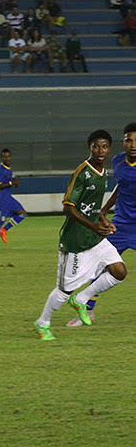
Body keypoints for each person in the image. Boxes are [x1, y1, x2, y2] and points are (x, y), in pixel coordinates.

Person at [33, 130, 124, 340]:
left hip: (94, 238)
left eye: (104, 146)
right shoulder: (82, 172)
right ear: (90, 148)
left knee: (119, 271)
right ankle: (42, 322)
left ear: (109, 149)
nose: (100, 151)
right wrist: (93, 227)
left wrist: (102, 220)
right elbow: (68, 207)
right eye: (95, 146)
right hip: (75, 241)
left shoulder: (103, 173)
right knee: (63, 291)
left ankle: (82, 299)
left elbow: (91, 207)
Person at [72, 122, 136, 326]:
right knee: (100, 266)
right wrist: (105, 208)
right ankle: (87, 310)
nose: (133, 144)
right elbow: (121, 186)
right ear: (123, 142)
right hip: (120, 225)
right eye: (129, 140)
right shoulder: (117, 162)